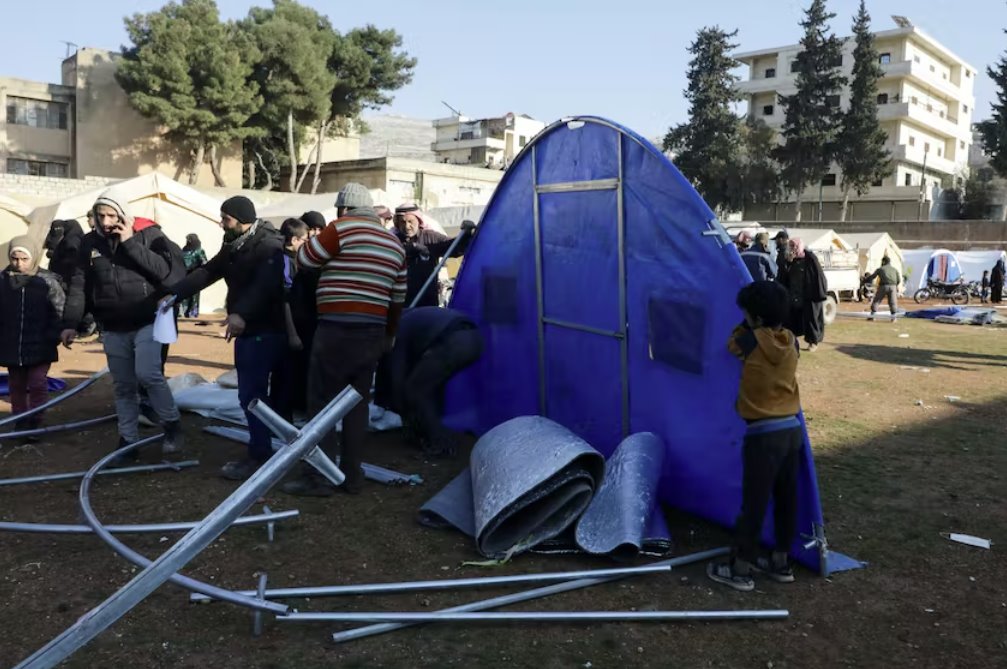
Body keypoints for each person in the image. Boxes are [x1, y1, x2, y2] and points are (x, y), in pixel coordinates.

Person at [282, 182, 406, 496]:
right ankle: (353, 476)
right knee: (356, 403)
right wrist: (389, 335)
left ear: (343, 208)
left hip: (336, 328)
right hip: (372, 332)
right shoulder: (394, 244)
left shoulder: (342, 228)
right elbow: (397, 299)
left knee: (322, 402)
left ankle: (321, 477)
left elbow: (307, 259)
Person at [168, 196, 290, 481]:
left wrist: (241, 314)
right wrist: (175, 293)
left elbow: (264, 286)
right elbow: (209, 271)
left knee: (253, 394)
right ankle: (272, 448)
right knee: (254, 393)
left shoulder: (268, 246)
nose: (222, 223)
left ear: (242, 219)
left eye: (227, 219)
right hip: (250, 329)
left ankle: (261, 455)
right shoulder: (235, 245)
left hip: (266, 330)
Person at [60, 189, 186, 460]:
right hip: (113, 324)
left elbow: (165, 272)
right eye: (100, 215)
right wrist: (70, 322)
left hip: (147, 319)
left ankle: (172, 424)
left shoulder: (149, 235)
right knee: (123, 385)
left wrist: (129, 242)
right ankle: (128, 440)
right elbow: (80, 284)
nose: (105, 222)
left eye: (110, 215)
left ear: (122, 213)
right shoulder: (89, 243)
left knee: (148, 374)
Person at [707, 280, 802, 592]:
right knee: (786, 498)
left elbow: (731, 345)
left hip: (762, 434)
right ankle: (781, 562)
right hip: (791, 430)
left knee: (755, 502)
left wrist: (747, 325)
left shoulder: (750, 340)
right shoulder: (790, 340)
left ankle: (740, 568)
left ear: (755, 317)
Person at [376, 307, 483, 456]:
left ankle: (440, 443)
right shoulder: (412, 317)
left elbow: (397, 376)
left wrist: (401, 411)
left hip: (454, 341)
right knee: (430, 388)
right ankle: (434, 432)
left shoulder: (398, 328)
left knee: (416, 390)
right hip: (474, 339)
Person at [0, 237, 65, 436]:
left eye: (24, 259)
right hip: (11, 344)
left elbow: (59, 310)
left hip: (41, 342)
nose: (19, 263)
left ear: (33, 257)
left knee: (37, 382)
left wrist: (53, 336)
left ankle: (36, 420)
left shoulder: (47, 282)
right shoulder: (2, 282)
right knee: (16, 385)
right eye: (14, 258)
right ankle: (20, 420)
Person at [394, 205, 474, 308]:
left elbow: (453, 247)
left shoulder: (430, 237)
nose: (407, 226)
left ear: (418, 220)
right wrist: (409, 248)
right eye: (402, 222)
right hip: (400, 303)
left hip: (427, 301)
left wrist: (466, 235)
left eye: (410, 221)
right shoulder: (393, 240)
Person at [280, 218, 317, 418]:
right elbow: (285, 300)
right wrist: (293, 333)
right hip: (294, 327)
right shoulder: (284, 262)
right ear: (294, 240)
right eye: (304, 240)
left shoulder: (296, 261)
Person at [777, 238, 827, 352]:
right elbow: (783, 276)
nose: (793, 248)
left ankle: (813, 341)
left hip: (809, 295)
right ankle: (791, 340)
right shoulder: (789, 259)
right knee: (792, 318)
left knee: (811, 319)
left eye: (794, 246)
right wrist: (788, 263)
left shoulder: (810, 259)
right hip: (793, 294)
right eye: (791, 246)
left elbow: (817, 277)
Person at [179, 234, 208, 318]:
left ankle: (192, 313)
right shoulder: (184, 249)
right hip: (184, 275)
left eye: (189, 239)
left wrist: (196, 269)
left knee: (194, 295)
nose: (188, 241)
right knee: (184, 294)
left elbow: (204, 262)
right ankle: (183, 312)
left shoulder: (199, 250)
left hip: (195, 275)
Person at [866, 256, 901, 320]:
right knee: (893, 302)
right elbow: (898, 280)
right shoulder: (894, 269)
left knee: (877, 300)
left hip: (883, 286)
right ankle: (893, 317)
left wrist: (866, 279)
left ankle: (873, 316)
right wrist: (895, 285)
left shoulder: (880, 269)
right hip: (893, 286)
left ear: (883, 262)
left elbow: (873, 276)